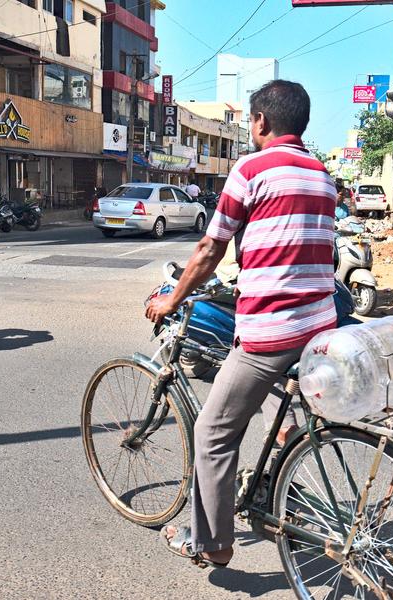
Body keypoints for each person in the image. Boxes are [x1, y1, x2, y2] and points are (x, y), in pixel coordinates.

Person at [146, 79, 336, 569]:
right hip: (321, 323)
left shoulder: (251, 169)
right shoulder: (321, 173)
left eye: (252, 120)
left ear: (261, 122)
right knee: (278, 405)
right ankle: (280, 473)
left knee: (213, 433)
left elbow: (211, 248)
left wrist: (173, 297)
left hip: (274, 328)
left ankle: (212, 544)